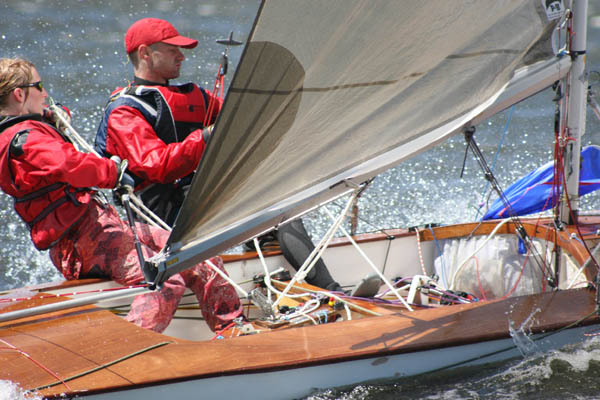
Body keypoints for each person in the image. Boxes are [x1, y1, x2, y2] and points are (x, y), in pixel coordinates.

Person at [0, 57, 242, 333]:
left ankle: (232, 329)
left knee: (199, 253)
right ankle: (130, 347)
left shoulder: (28, 132)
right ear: (19, 94)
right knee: (164, 279)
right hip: (82, 242)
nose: (45, 94)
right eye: (39, 86)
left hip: (100, 229)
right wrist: (113, 172)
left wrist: (51, 118)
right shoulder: (26, 140)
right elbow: (70, 164)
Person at [95, 17, 221, 226]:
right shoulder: (124, 112)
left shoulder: (196, 97)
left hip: (201, 196)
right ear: (145, 53)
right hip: (161, 217)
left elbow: (240, 115)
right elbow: (157, 166)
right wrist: (207, 136)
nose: (181, 56)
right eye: (172, 50)